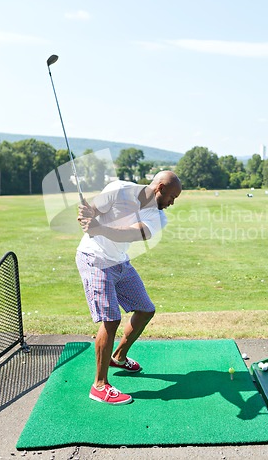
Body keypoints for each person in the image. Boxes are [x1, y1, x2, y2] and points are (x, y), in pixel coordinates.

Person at [76, 170, 182, 405]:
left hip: (119, 261)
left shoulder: (158, 216)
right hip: (94, 258)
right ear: (160, 188)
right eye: (172, 197)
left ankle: (118, 356)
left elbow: (136, 232)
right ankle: (100, 386)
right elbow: (93, 209)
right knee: (111, 319)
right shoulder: (119, 189)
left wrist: (100, 228)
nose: (172, 203)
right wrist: (87, 215)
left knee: (145, 309)